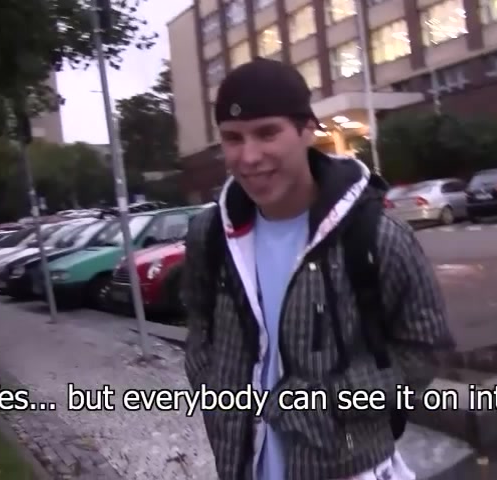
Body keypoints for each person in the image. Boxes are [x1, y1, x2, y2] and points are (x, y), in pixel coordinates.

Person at [182, 57, 453, 480]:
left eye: (267, 133)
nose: (249, 156)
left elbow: (425, 351)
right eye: (233, 138)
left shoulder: (377, 235)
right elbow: (199, 325)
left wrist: (328, 403)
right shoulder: (210, 234)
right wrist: (216, 389)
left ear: (308, 130)